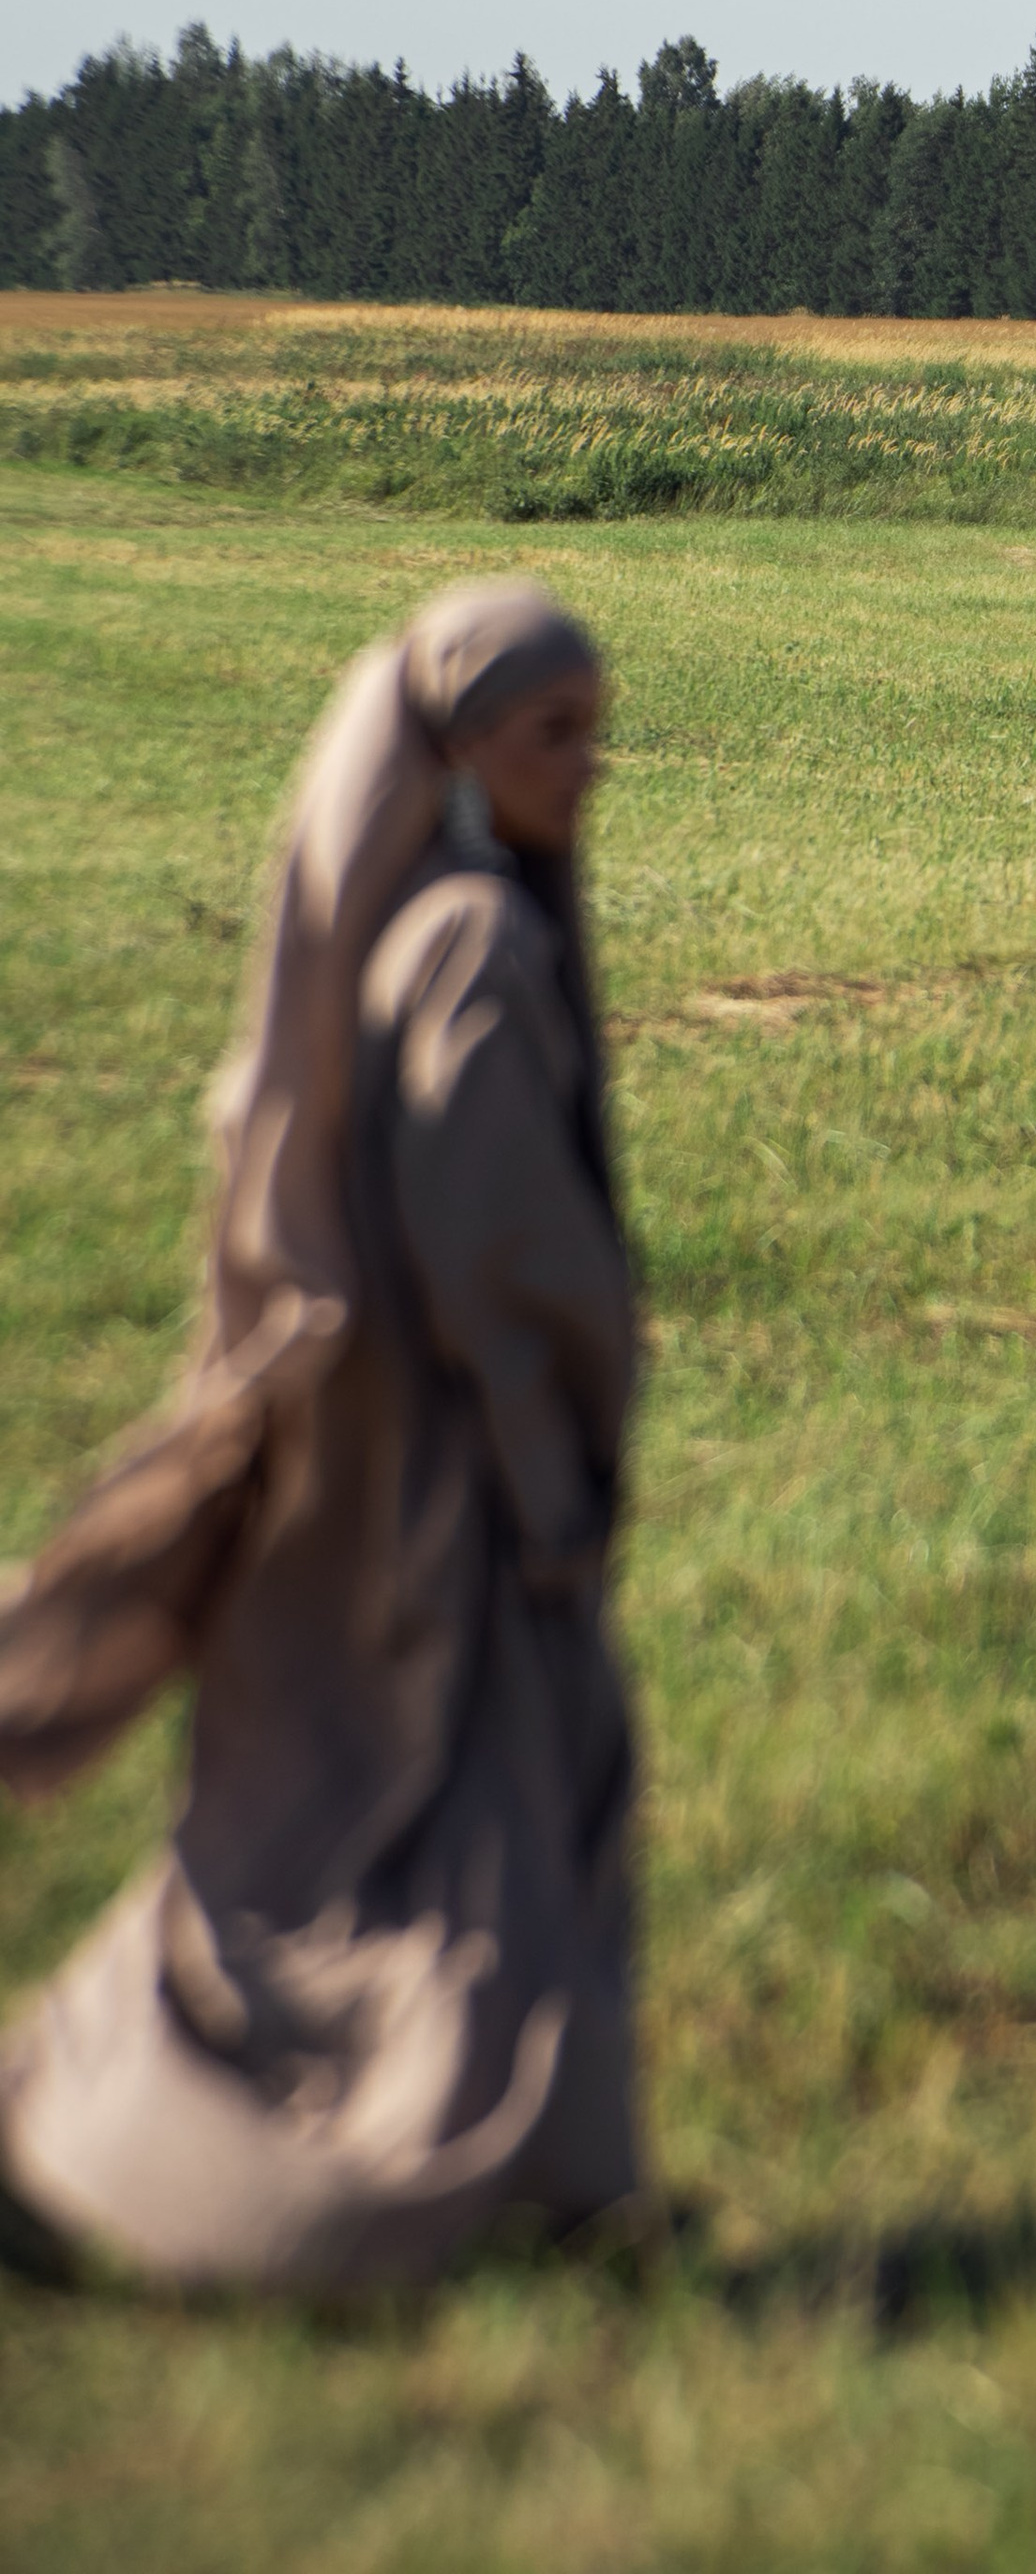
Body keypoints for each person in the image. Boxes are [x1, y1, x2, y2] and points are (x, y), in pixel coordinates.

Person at [0, 579, 642, 2288]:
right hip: (459, 1473)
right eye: (550, 734)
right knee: (472, 1803)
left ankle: (557, 2177)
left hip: (396, 1460)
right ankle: (329, 2167)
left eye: (598, 729)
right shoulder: (472, 948)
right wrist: (550, 1447)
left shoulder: (417, 914)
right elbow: (497, 1251)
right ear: (454, 749)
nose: (589, 767)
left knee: (379, 1801)